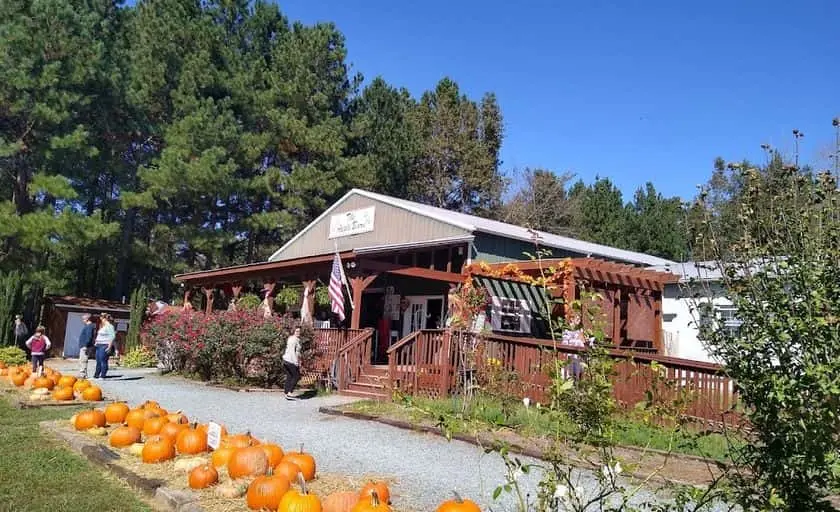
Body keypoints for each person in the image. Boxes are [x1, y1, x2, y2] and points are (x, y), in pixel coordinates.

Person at [93, 313, 116, 379]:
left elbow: (112, 337)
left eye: (102, 318)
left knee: (103, 360)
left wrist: (109, 346)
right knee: (98, 361)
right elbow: (99, 335)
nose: (101, 319)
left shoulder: (110, 326)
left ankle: (103, 376)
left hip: (104, 345)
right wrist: (96, 342)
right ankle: (96, 375)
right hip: (99, 345)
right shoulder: (103, 326)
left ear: (105, 319)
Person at [282, 326, 302, 400]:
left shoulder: (295, 339)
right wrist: (295, 362)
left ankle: (286, 393)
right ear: (293, 331)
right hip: (290, 360)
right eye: (296, 331)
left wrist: (299, 358)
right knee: (297, 376)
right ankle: (290, 392)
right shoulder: (293, 340)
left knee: (290, 376)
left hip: (287, 360)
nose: (298, 333)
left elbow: (297, 351)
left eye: (299, 331)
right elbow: (292, 352)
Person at [77, 314, 96, 378]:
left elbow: (89, 337)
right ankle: (83, 373)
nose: (83, 321)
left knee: (83, 360)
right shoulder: (89, 326)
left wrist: (85, 345)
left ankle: (83, 374)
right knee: (82, 360)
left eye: (83, 319)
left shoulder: (89, 326)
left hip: (85, 346)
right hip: (84, 346)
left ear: (87, 319)